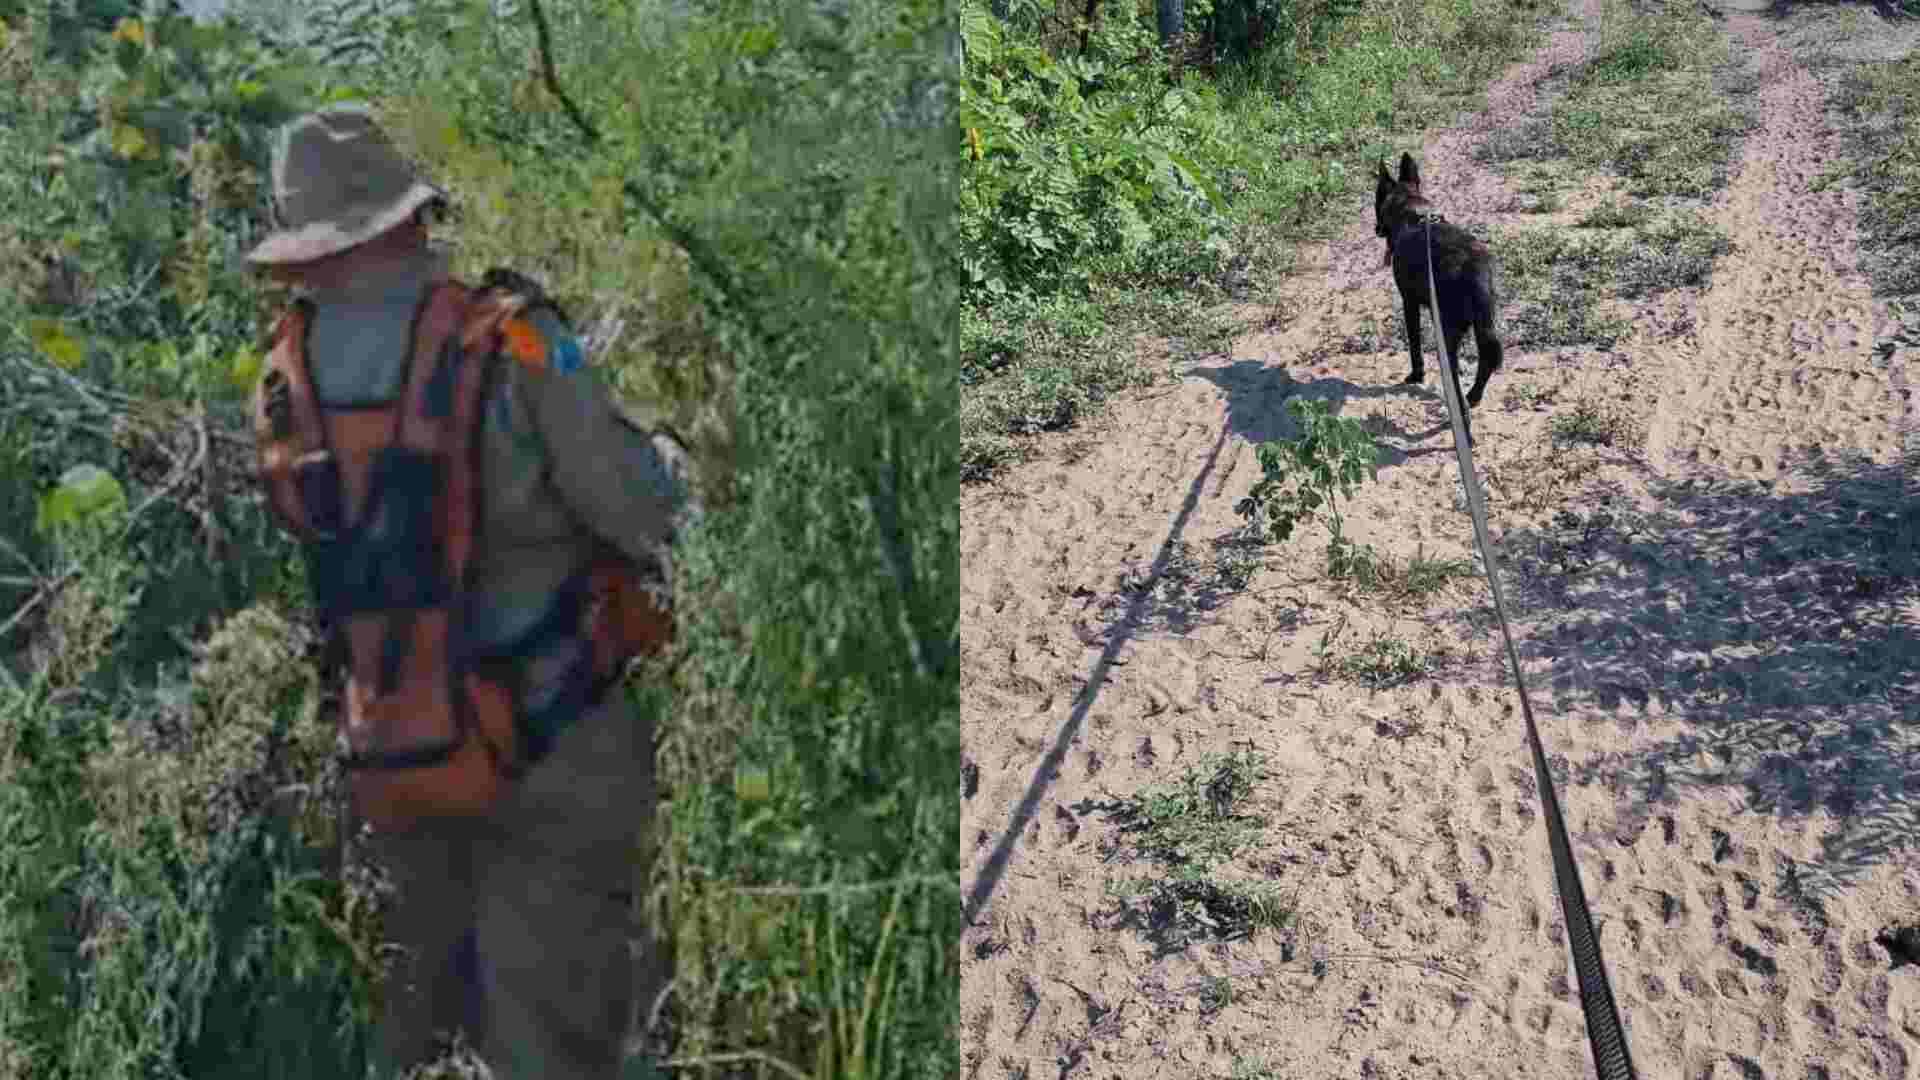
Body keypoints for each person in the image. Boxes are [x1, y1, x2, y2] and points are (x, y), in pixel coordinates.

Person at [243, 101, 692, 1079]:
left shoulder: (281, 385)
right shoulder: (515, 343)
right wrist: (673, 461)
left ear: (305, 250)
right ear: (410, 215)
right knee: (563, 1036)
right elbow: (642, 512)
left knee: (417, 1036)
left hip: (392, 757)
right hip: (551, 748)